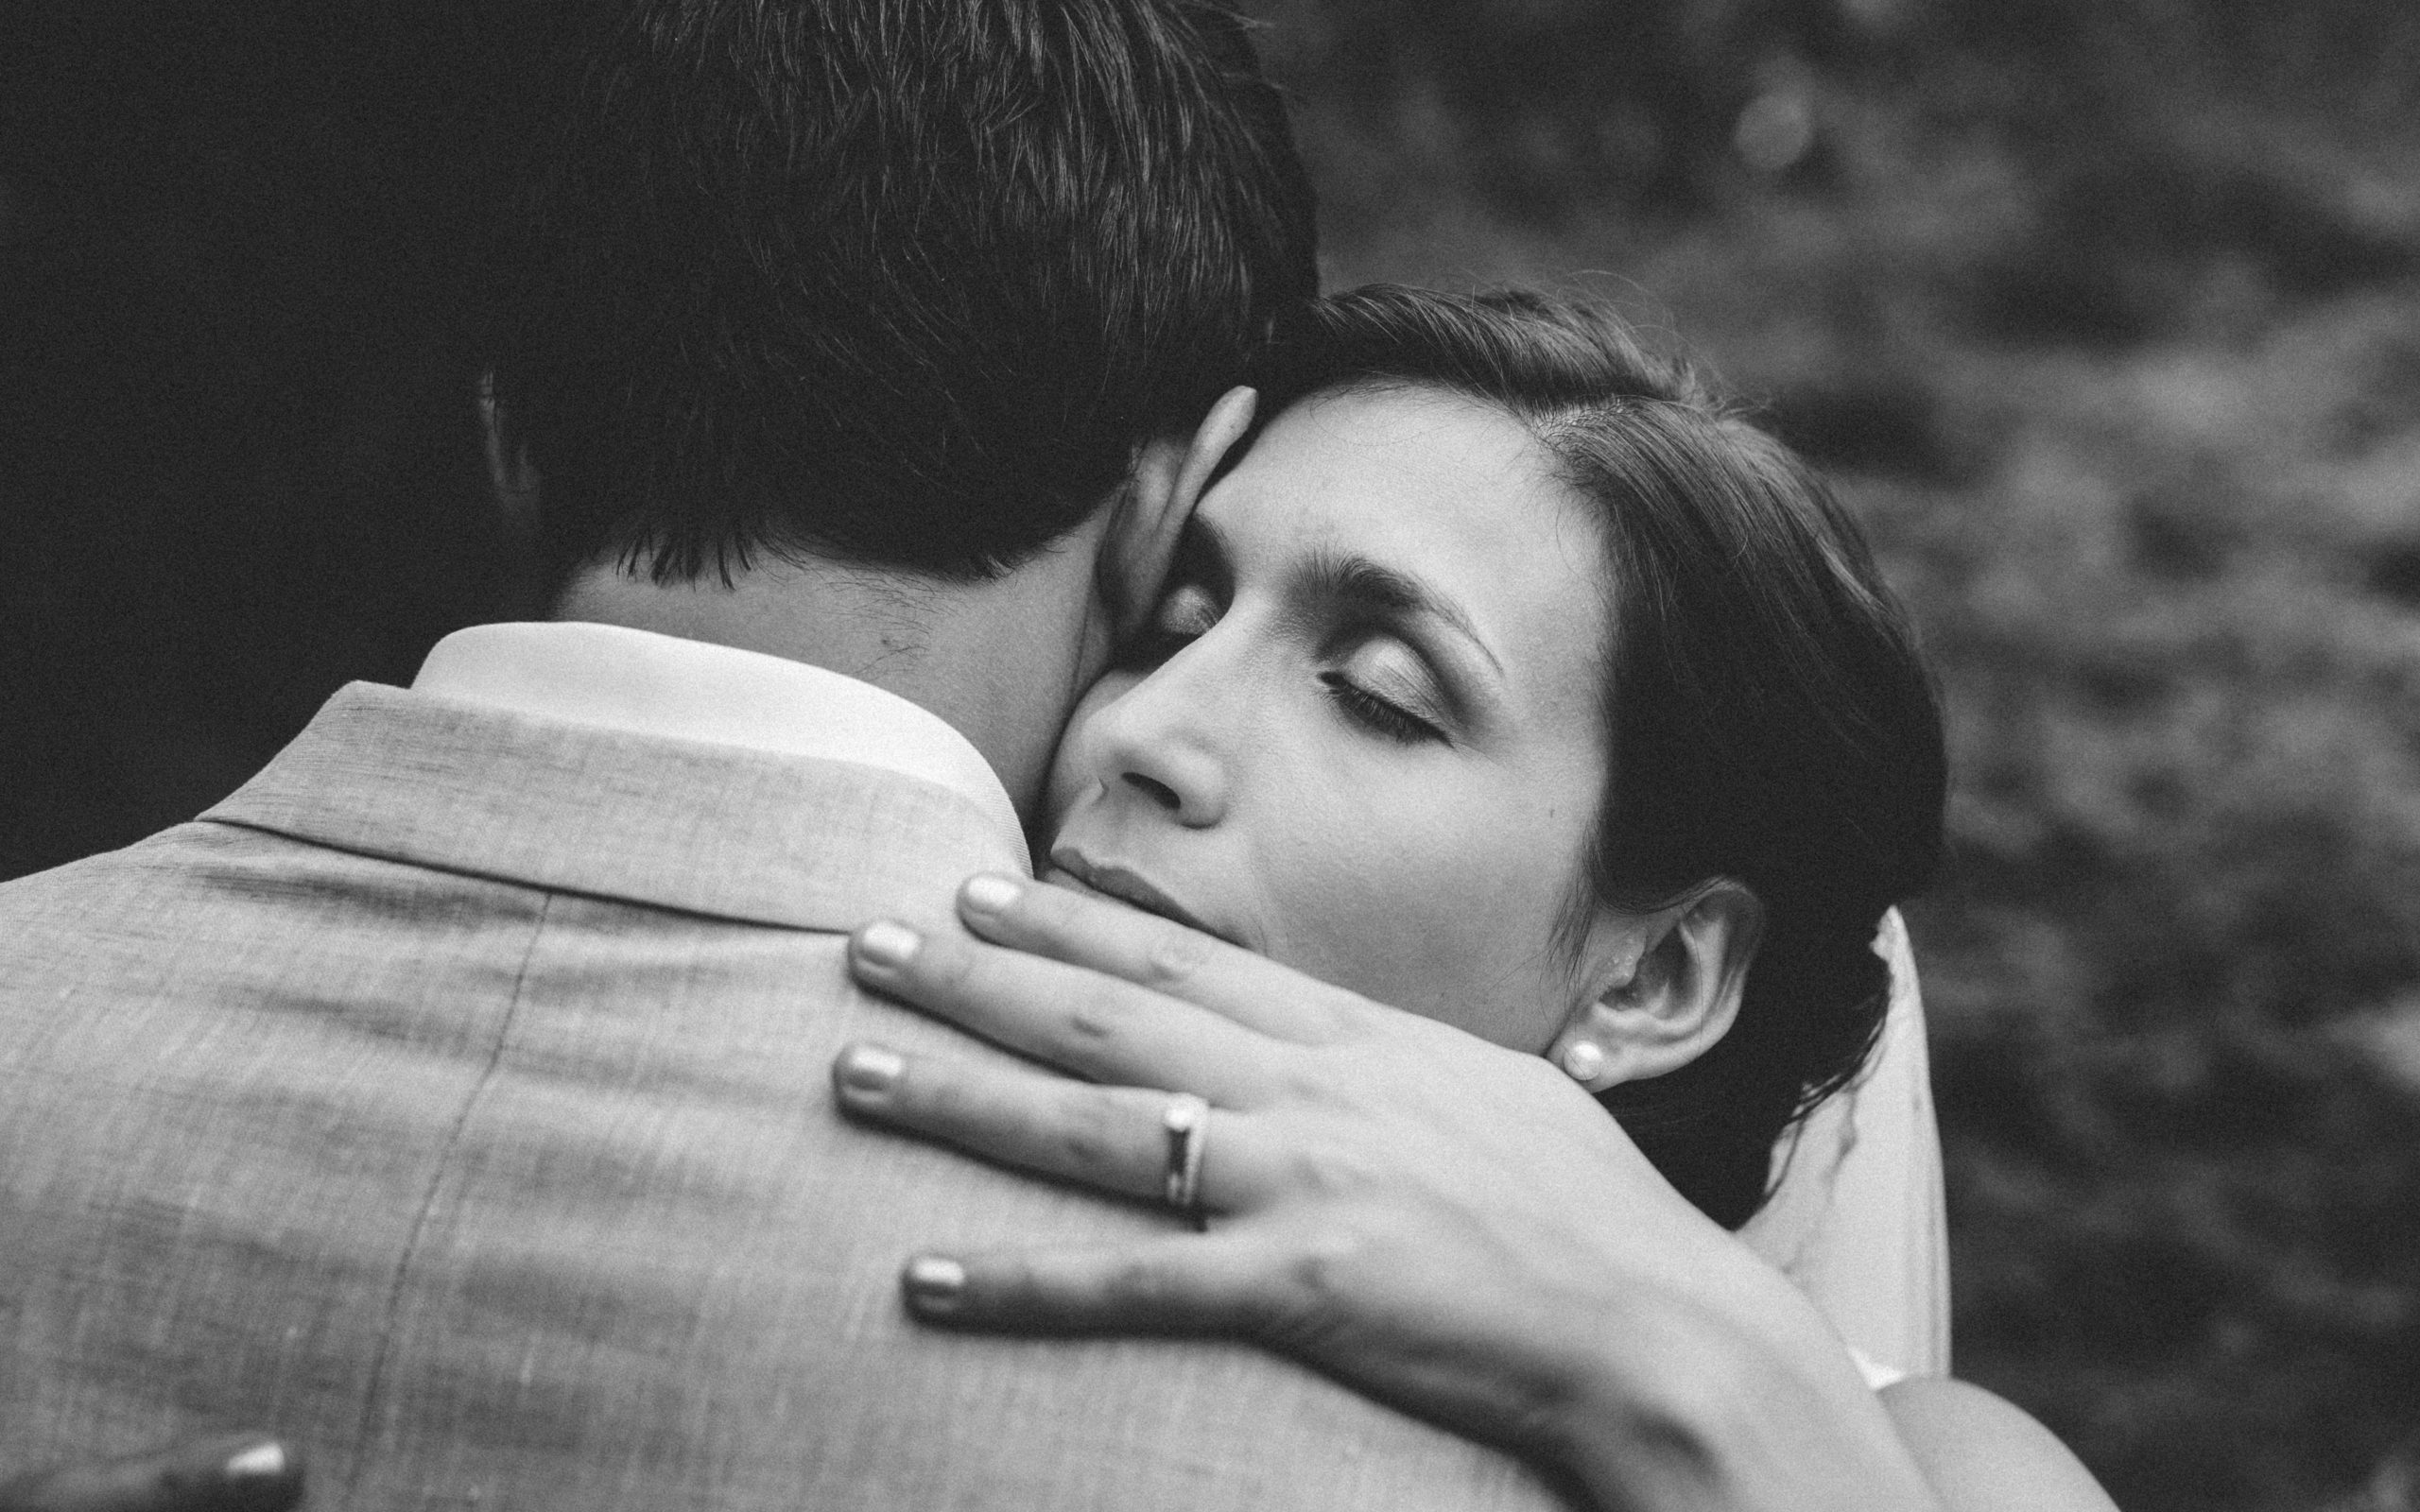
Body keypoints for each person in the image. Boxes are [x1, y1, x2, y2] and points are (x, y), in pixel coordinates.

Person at [826, 288, 2122, 1510]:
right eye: (1170, 622)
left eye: (1381, 693)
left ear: (1653, 978)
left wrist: (1721, 1401)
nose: (1144, 729)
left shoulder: (1928, 1478)